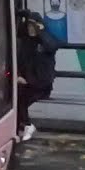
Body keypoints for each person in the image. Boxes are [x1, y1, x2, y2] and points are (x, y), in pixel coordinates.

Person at [15, 9, 58, 142]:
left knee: (20, 99)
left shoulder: (46, 40)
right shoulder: (26, 42)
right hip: (27, 82)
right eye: (28, 26)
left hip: (41, 85)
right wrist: (24, 14)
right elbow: (17, 30)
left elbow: (52, 46)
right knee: (14, 100)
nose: (30, 29)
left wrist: (41, 31)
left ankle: (27, 125)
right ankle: (21, 127)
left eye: (33, 27)